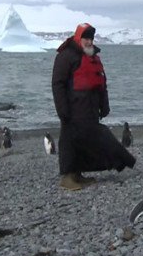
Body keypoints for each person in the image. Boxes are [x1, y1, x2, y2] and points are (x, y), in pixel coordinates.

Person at [51, 23, 136, 190]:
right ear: (78, 38)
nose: (89, 42)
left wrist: (104, 105)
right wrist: (62, 109)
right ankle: (67, 176)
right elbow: (58, 84)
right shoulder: (66, 56)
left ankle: (77, 173)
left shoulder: (92, 57)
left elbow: (101, 84)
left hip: (90, 109)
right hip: (73, 109)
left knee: (86, 141)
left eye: (91, 38)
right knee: (69, 140)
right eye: (86, 38)